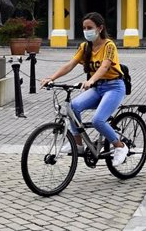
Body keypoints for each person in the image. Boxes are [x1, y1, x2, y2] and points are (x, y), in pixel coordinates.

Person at [40, 12, 129, 166]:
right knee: (73, 107)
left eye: (90, 27)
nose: (86, 31)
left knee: (98, 120)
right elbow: (70, 64)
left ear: (100, 28)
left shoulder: (109, 45)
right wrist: (51, 78)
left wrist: (92, 80)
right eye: (84, 28)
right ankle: (78, 145)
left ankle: (120, 146)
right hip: (98, 88)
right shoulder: (84, 47)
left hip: (114, 87)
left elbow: (105, 66)